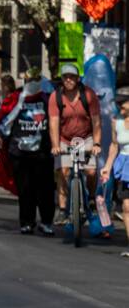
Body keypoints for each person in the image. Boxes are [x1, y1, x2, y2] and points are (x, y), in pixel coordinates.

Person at [0, 70, 56, 234]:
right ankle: (27, 222)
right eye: (28, 80)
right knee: (25, 189)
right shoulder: (17, 98)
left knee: (45, 189)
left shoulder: (47, 98)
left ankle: (46, 221)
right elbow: (7, 119)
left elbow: (56, 120)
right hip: (20, 151)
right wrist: (0, 136)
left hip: (42, 152)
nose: (31, 84)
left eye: (34, 80)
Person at [48, 61, 102, 221]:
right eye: (65, 77)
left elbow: (96, 121)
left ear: (78, 78)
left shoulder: (88, 95)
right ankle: (63, 209)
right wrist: (56, 145)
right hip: (65, 139)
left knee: (91, 171)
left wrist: (97, 144)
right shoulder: (56, 96)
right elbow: (53, 122)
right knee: (63, 172)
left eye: (72, 77)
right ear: (62, 79)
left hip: (86, 138)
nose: (69, 80)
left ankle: (91, 198)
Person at [99, 98, 129, 253]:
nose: (120, 108)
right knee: (127, 206)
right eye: (119, 105)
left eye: (123, 105)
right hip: (125, 165)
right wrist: (107, 166)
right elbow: (114, 145)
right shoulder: (115, 122)